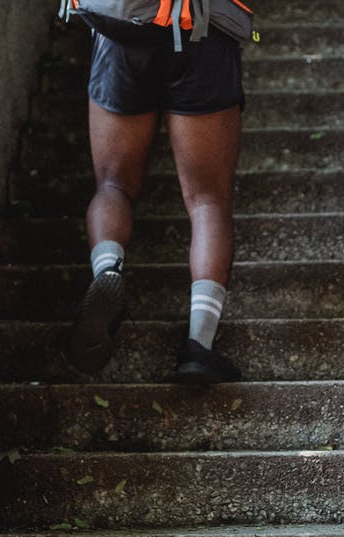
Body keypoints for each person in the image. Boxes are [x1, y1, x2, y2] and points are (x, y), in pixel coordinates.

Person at [63, 4, 245, 384]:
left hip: (121, 33)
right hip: (204, 33)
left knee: (113, 183)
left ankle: (108, 269)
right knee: (207, 201)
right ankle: (199, 345)